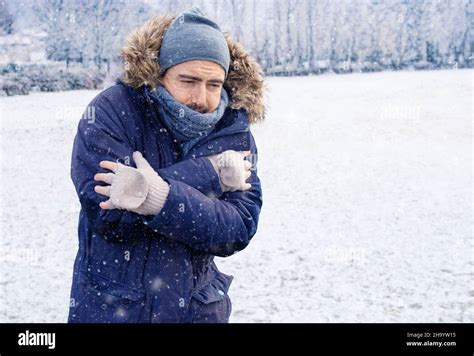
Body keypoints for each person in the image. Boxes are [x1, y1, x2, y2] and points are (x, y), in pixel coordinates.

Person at [68, 7, 264, 323]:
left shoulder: (232, 128)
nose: (201, 98)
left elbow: (238, 228)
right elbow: (111, 215)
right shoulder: (112, 112)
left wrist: (152, 195)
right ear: (159, 73)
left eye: (214, 84)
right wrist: (210, 173)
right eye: (188, 80)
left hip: (197, 311)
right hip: (116, 311)